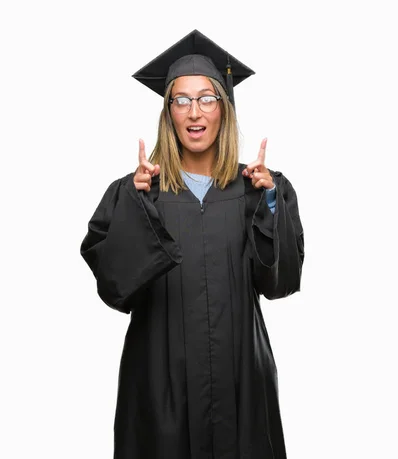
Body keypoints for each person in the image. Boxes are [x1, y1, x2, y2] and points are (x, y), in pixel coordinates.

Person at [80, 30, 304, 459]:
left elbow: (279, 282)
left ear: (225, 109)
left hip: (240, 380)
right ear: (168, 113)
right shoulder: (139, 192)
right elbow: (114, 288)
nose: (194, 111)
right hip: (161, 383)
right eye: (180, 100)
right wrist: (134, 203)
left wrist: (271, 201)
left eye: (206, 98)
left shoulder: (257, 190)